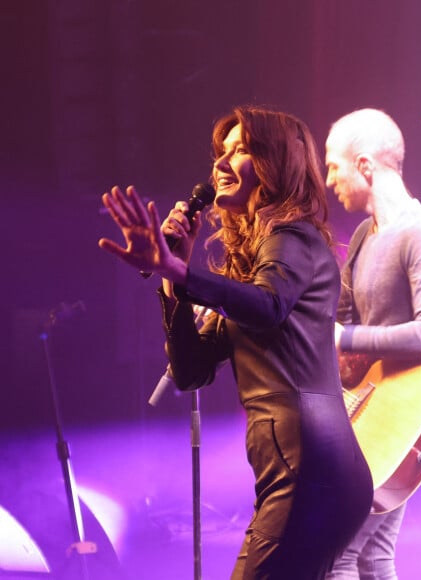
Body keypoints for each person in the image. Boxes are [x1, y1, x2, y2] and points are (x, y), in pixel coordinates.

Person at [98, 105, 373, 580]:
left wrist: (179, 271)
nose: (220, 165)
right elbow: (191, 370)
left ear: (276, 163)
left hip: (310, 472)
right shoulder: (258, 267)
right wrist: (172, 280)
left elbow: (267, 305)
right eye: (220, 154)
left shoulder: (294, 238)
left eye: (240, 150)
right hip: (305, 471)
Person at [324, 108, 421, 579]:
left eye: (333, 166)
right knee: (372, 557)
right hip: (374, 416)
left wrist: (352, 337)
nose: (328, 179)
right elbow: (335, 323)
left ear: (365, 165)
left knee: (338, 555)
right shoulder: (364, 235)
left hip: (408, 420)